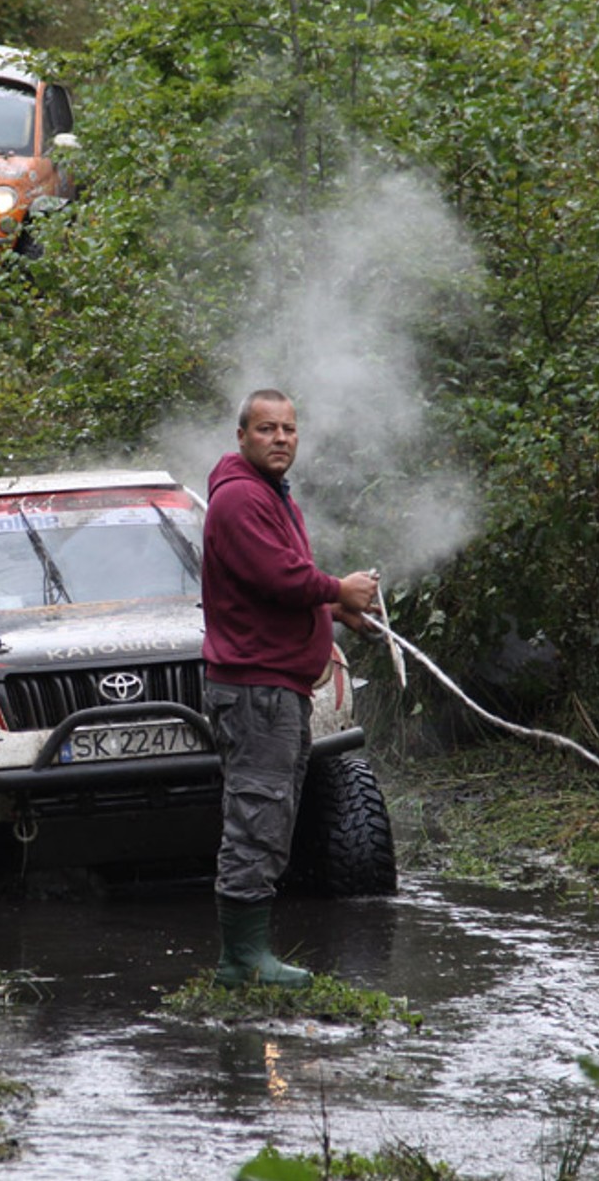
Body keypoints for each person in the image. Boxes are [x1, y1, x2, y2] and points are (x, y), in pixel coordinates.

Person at [201, 388, 379, 987]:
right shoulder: (239, 501)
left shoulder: (270, 495)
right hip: (256, 691)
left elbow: (272, 592)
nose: (280, 438)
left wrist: (336, 614)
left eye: (289, 430)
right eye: (267, 429)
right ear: (242, 436)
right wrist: (337, 589)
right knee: (257, 816)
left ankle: (248, 955)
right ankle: (241, 961)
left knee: (269, 817)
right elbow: (280, 576)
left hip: (274, 688)